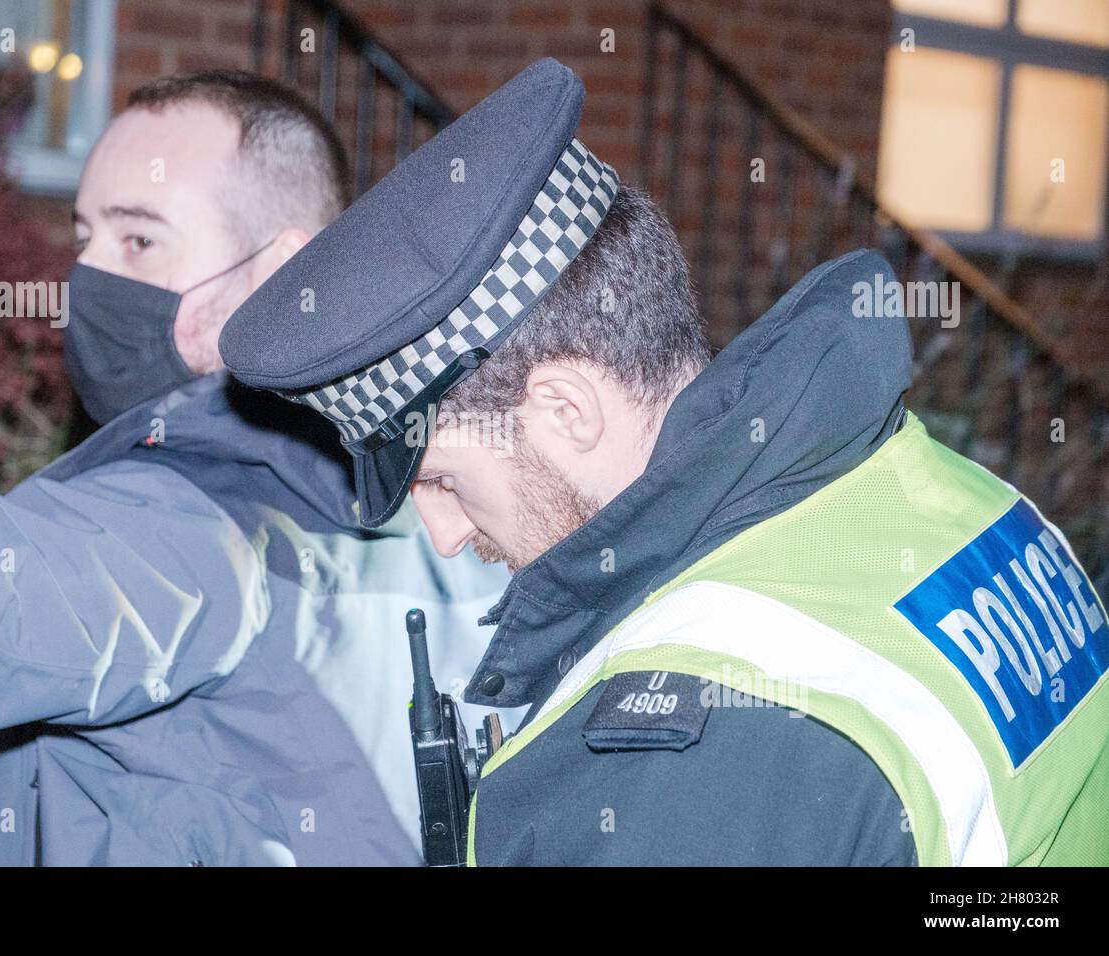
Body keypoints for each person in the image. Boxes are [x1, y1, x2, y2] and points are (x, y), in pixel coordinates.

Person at [221, 58, 1109, 866]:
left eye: (444, 479)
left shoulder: (673, 754)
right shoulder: (950, 497)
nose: (444, 536)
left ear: (566, 409)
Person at [0, 70, 510, 865]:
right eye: (84, 239)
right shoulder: (443, 488)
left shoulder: (192, 513)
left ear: (282, 275)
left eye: (138, 240)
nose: (88, 281)